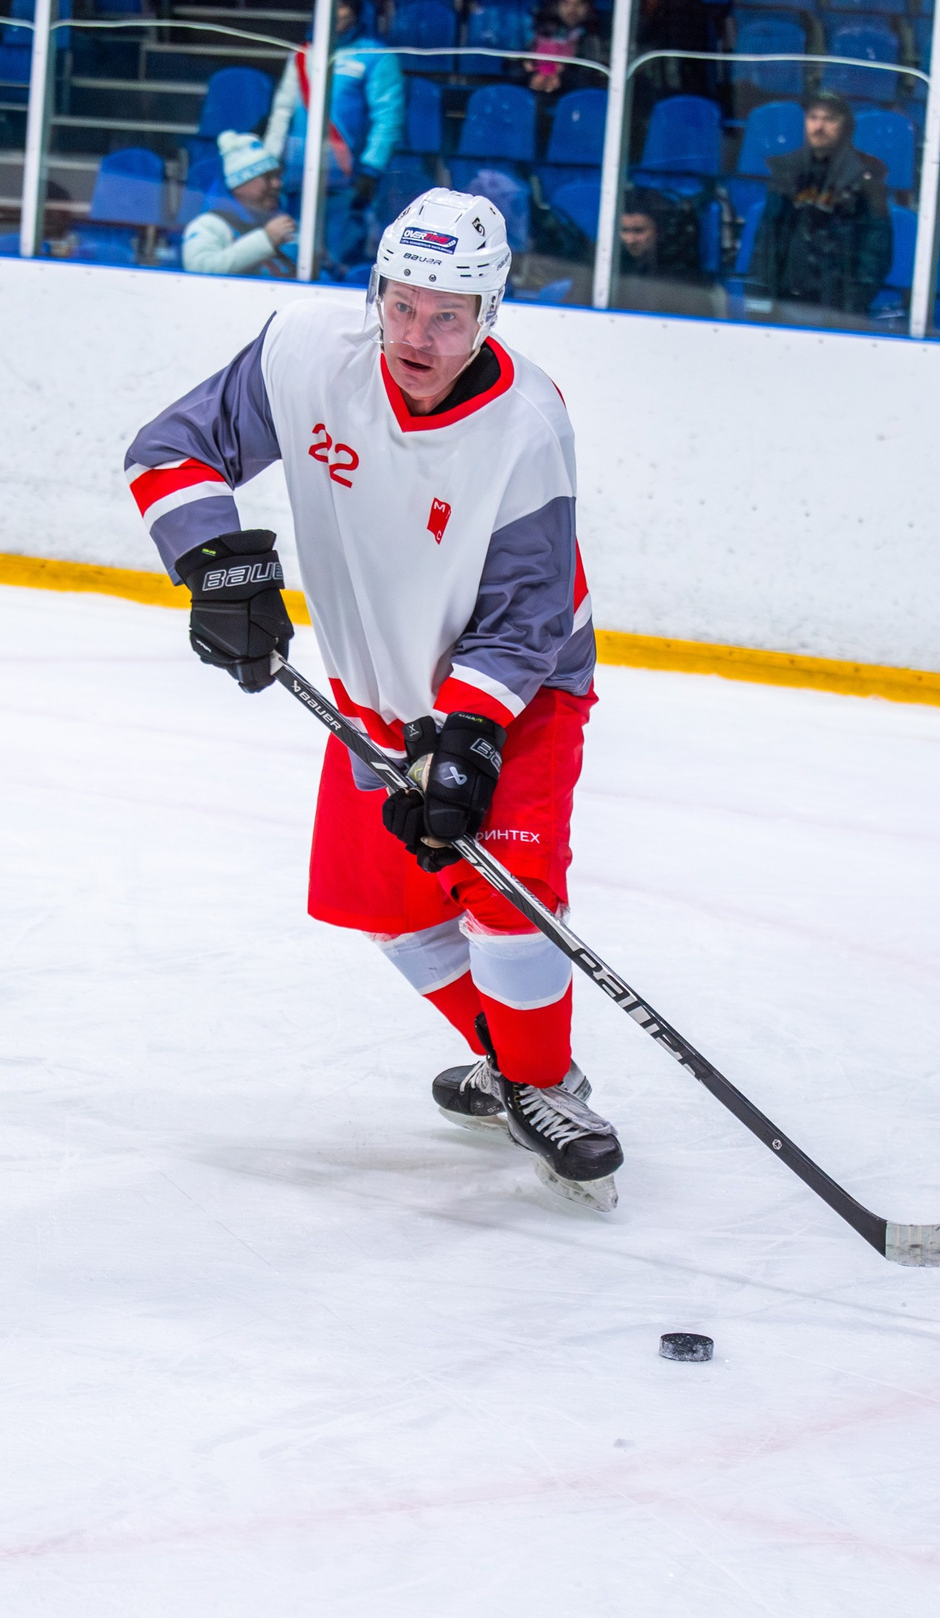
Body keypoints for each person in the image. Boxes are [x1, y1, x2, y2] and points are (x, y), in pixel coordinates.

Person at [121, 189, 621, 1206]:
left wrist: (472, 739)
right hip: (373, 688)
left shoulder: (525, 424)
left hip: (517, 692)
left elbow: (528, 608)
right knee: (391, 908)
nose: (417, 335)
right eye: (401, 305)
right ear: (374, 292)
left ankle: (542, 1082)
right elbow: (169, 448)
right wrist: (218, 565)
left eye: (447, 315)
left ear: (490, 313)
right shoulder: (308, 354)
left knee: (504, 894)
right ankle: (509, 1064)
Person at [263, 0, 404, 263]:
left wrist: (371, 170)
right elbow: (282, 111)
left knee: (335, 260)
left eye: (342, 7)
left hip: (346, 179)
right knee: (291, 257)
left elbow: (387, 118)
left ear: (354, 13)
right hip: (296, 175)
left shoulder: (376, 57)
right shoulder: (303, 55)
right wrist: (269, 162)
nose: (335, 13)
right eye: (328, 6)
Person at [746, 91, 891, 328]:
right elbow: (767, 242)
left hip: (838, 312)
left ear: (846, 125)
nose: (819, 126)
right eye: (813, 117)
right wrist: (760, 303)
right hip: (785, 306)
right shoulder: (786, 172)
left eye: (829, 119)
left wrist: (850, 308)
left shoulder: (866, 179)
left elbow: (876, 252)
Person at [181, 131, 296, 277]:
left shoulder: (281, 222)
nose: (277, 184)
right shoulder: (208, 225)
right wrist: (265, 240)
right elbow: (199, 269)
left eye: (278, 176)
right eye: (267, 177)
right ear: (239, 185)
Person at [631, 0, 718, 118]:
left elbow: (675, 54)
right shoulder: (633, 0)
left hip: (677, 88)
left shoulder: (681, 3)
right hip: (646, 86)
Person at [609, 186, 715, 318]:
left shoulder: (682, 276)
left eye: (638, 231)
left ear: (659, 231)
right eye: (624, 230)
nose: (630, 240)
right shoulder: (609, 265)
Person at [528, 0, 606, 96]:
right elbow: (522, 64)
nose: (571, 10)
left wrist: (561, 78)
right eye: (567, 3)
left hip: (574, 94)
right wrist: (532, 75)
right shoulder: (544, 29)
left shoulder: (593, 37)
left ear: (589, 8)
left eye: (578, 4)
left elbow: (589, 75)